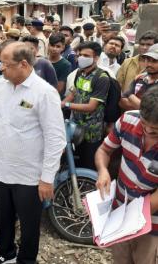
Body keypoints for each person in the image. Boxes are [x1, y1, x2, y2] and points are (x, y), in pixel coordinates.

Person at [0, 42, 66, 264]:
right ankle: (5, 252)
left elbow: (56, 139)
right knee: (2, 217)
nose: (0, 68)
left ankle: (26, 259)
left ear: (24, 64)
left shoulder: (44, 93)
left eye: (5, 64)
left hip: (29, 174)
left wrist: (47, 178)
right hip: (1, 167)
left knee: (28, 223)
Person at [95, 86, 158, 264]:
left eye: (155, 129)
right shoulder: (129, 119)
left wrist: (130, 220)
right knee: (120, 258)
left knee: (144, 259)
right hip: (119, 210)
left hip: (150, 222)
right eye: (144, 124)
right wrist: (103, 171)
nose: (147, 131)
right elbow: (104, 150)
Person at [61, 41, 110, 169]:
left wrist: (67, 105)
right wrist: (60, 103)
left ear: (96, 58)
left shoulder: (102, 78)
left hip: (91, 133)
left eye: (86, 55)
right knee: (75, 163)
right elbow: (73, 93)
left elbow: (91, 107)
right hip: (75, 129)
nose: (81, 58)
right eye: (80, 55)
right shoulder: (79, 73)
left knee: (88, 164)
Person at [120, 44, 158, 111]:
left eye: (154, 61)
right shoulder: (140, 78)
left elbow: (152, 112)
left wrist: (130, 95)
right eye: (148, 60)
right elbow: (122, 102)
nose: (149, 64)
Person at [48, 33, 71, 98]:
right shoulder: (42, 60)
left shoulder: (65, 65)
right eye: (52, 45)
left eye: (58, 46)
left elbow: (59, 88)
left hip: (53, 98)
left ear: (63, 47)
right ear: (48, 45)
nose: (54, 49)